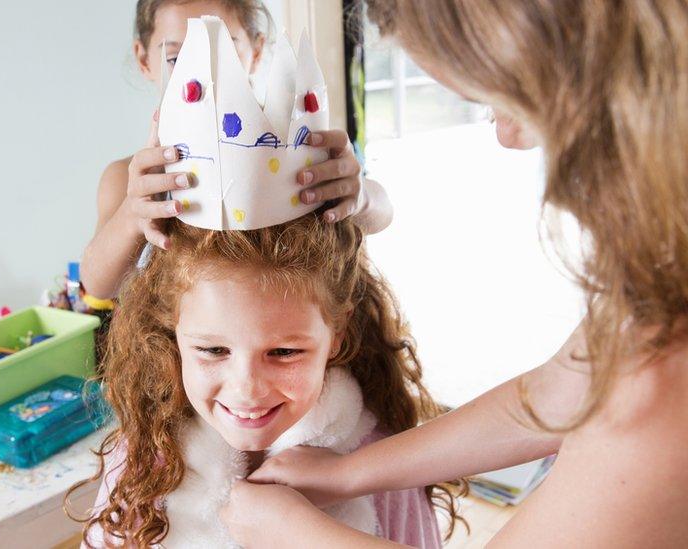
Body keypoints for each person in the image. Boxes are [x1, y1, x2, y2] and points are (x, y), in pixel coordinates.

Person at [220, 1, 688, 547]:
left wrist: (292, 531)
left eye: (500, 99)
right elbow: (554, 393)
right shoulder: (655, 286)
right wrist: (349, 473)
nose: (507, 137)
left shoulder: (662, 383)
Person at [70, 214, 456, 548]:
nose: (247, 388)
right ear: (172, 332)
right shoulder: (141, 461)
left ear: (336, 335)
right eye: (213, 351)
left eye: (285, 353)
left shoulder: (383, 470)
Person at [79, 0, 393, 299]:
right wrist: (132, 215)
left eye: (224, 54)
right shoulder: (130, 180)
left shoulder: (295, 151)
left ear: (256, 50)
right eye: (176, 59)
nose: (200, 78)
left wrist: (360, 195)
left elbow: (384, 213)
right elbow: (96, 283)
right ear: (144, 59)